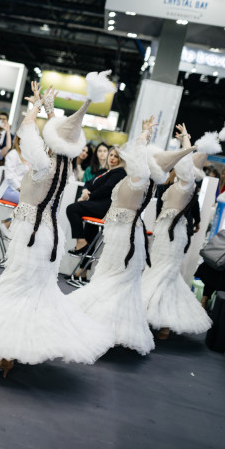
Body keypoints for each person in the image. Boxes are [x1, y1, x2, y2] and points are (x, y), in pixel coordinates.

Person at [0, 77, 116, 376]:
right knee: (33, 292)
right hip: (48, 235)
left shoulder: (44, 163)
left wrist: (35, 108)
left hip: (31, 234)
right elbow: (60, 135)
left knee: (17, 289)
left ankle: (8, 353)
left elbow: (26, 129)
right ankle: (15, 349)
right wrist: (49, 109)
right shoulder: (64, 166)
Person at [68, 117, 188, 355]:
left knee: (117, 281)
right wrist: (148, 135)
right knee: (115, 280)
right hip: (124, 235)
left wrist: (145, 136)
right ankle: (111, 329)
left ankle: (104, 329)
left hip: (126, 237)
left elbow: (141, 154)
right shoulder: (141, 180)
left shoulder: (140, 179)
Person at [141, 124, 210, 340]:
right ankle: (156, 317)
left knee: (166, 275)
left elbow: (187, 163)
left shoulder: (188, 184)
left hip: (175, 235)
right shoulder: (173, 184)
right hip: (162, 233)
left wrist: (186, 140)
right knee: (157, 271)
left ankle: (163, 323)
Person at [66, 145, 126, 258]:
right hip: (96, 205)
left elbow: (107, 189)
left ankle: (81, 242)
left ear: (120, 159)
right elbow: (88, 183)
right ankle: (83, 267)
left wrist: (89, 196)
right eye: (111, 155)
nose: (112, 158)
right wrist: (85, 191)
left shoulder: (120, 172)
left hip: (105, 207)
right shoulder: (104, 171)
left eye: (116, 156)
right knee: (90, 233)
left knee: (72, 208)